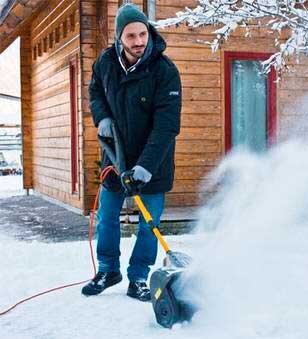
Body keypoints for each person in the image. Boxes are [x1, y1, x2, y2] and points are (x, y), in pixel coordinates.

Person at [82, 3, 181, 302]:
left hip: (154, 162)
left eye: (143, 34)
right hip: (116, 156)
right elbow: (95, 91)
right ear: (119, 38)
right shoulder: (105, 63)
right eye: (131, 36)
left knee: (148, 224)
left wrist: (145, 167)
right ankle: (108, 269)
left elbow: (166, 126)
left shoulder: (164, 71)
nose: (139, 41)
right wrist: (103, 118)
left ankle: (138, 277)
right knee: (107, 217)